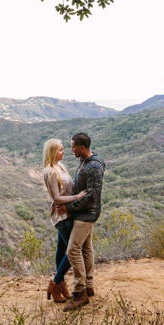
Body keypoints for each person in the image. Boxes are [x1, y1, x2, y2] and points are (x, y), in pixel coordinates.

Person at [58, 132, 105, 311]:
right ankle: (89, 286)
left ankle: (80, 293)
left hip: (86, 215)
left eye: (73, 147)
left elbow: (92, 196)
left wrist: (69, 208)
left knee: (72, 250)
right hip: (83, 213)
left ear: (82, 147)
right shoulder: (85, 162)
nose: (71, 150)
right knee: (86, 248)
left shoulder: (93, 167)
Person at [41, 138, 87, 303]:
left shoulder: (60, 166)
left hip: (67, 214)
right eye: (60, 150)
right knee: (72, 252)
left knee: (62, 251)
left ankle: (60, 285)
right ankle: (56, 283)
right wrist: (77, 197)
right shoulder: (50, 171)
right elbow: (57, 198)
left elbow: (69, 186)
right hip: (62, 217)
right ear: (53, 152)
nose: (64, 152)